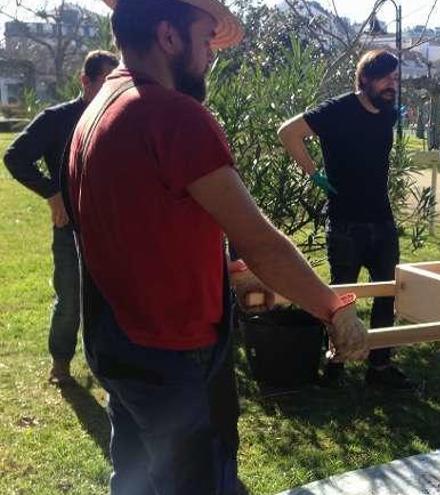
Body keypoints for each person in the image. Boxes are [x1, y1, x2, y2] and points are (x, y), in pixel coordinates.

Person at [65, 0, 368, 492]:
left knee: (139, 480)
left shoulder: (98, 108)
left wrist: (222, 268)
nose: (211, 55)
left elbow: (140, 225)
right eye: (205, 39)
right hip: (174, 354)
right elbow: (260, 240)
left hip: (118, 341)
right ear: (168, 36)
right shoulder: (174, 116)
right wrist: (334, 309)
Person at [276, 49, 413, 391]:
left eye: (395, 79)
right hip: (345, 222)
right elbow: (287, 133)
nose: (391, 85)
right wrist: (314, 174)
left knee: (387, 293)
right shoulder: (336, 110)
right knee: (340, 298)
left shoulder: (387, 114)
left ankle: (379, 367)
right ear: (364, 78)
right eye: (384, 78)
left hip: (381, 220)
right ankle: (334, 365)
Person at [4, 50, 119, 385]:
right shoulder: (57, 118)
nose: (113, 89)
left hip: (113, 227)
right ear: (85, 80)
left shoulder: (120, 117)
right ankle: (61, 364)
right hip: (70, 226)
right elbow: (16, 157)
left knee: (113, 298)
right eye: (105, 81)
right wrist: (52, 193)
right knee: (70, 298)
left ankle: (109, 366)